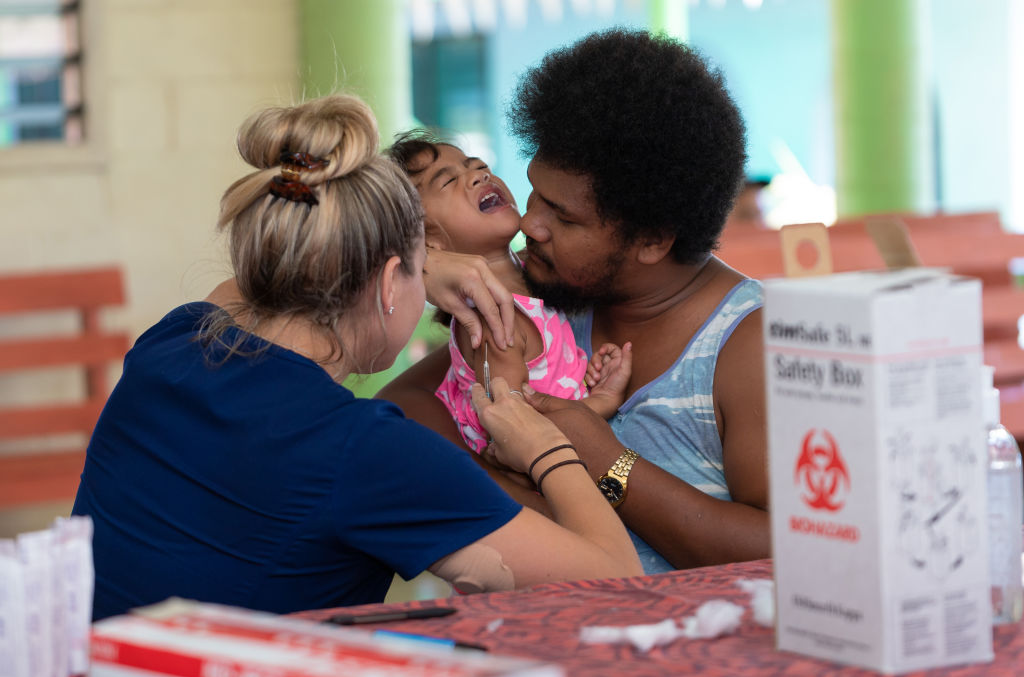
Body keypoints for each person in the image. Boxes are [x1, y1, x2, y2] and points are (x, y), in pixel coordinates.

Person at [71, 94, 641, 621]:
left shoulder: (176, 340)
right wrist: (548, 448)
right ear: (392, 281)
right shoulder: (363, 451)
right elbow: (616, 582)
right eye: (421, 270)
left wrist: (422, 263)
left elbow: (250, 287)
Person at [378, 29, 769, 574]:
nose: (531, 225)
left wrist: (605, 458)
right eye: (535, 191)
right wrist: (419, 264)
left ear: (653, 239)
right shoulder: (553, 294)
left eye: (563, 216)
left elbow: (786, 552)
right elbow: (397, 416)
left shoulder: (749, 341)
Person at [386, 132, 632, 454]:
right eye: (448, 182)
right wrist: (601, 402)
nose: (479, 175)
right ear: (429, 244)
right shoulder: (497, 321)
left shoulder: (531, 273)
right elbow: (518, 436)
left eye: (478, 166)